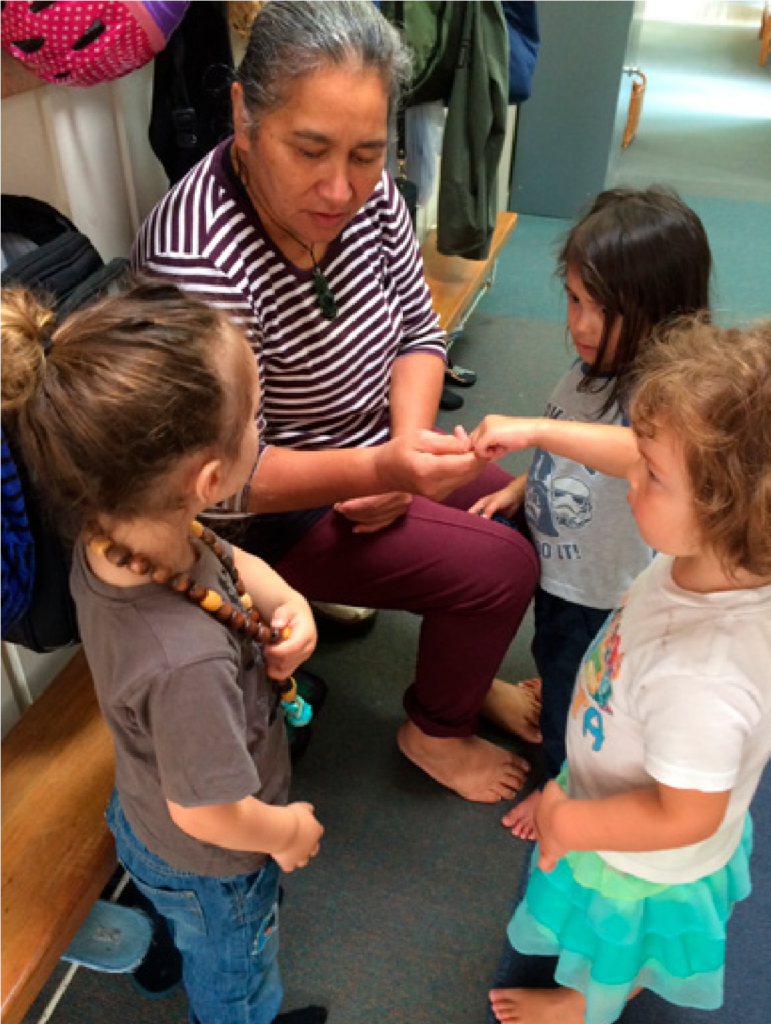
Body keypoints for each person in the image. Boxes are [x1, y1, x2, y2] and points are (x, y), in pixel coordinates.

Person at [132, 0, 540, 804]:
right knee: (501, 568)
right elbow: (218, 478)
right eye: (309, 149)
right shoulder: (200, 258)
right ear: (244, 115)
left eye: (366, 152)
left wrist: (404, 450)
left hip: (368, 446)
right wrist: (377, 466)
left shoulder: (372, 195)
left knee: (528, 498)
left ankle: (463, 673)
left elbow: (419, 333)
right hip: (257, 515)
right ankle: (433, 728)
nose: (341, 187)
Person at [0, 279, 329, 1024]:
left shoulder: (115, 531)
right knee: (236, 976)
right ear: (209, 480)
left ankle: (171, 947)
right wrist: (285, 832)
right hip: (214, 862)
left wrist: (286, 602)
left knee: (195, 933)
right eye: (254, 416)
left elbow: (223, 560)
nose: (260, 424)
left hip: (143, 810)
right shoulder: (185, 664)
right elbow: (212, 812)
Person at [470, 317, 771, 1024]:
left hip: (638, 851)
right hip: (618, 765)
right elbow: (631, 451)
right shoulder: (720, 550)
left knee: (623, 943)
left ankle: (587, 1004)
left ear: (725, 511)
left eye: (650, 476)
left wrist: (572, 823)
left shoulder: (703, 679)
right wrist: (538, 434)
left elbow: (684, 814)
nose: (629, 478)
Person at [468, 186, 712, 834]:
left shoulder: (662, 395)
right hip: (565, 575)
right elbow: (577, 448)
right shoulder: (591, 371)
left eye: (602, 310)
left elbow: (631, 453)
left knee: (582, 709)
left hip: (603, 593)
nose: (578, 323)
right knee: (557, 663)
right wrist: (527, 483)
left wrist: (535, 434)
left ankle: (561, 793)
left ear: (663, 312)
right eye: (574, 298)